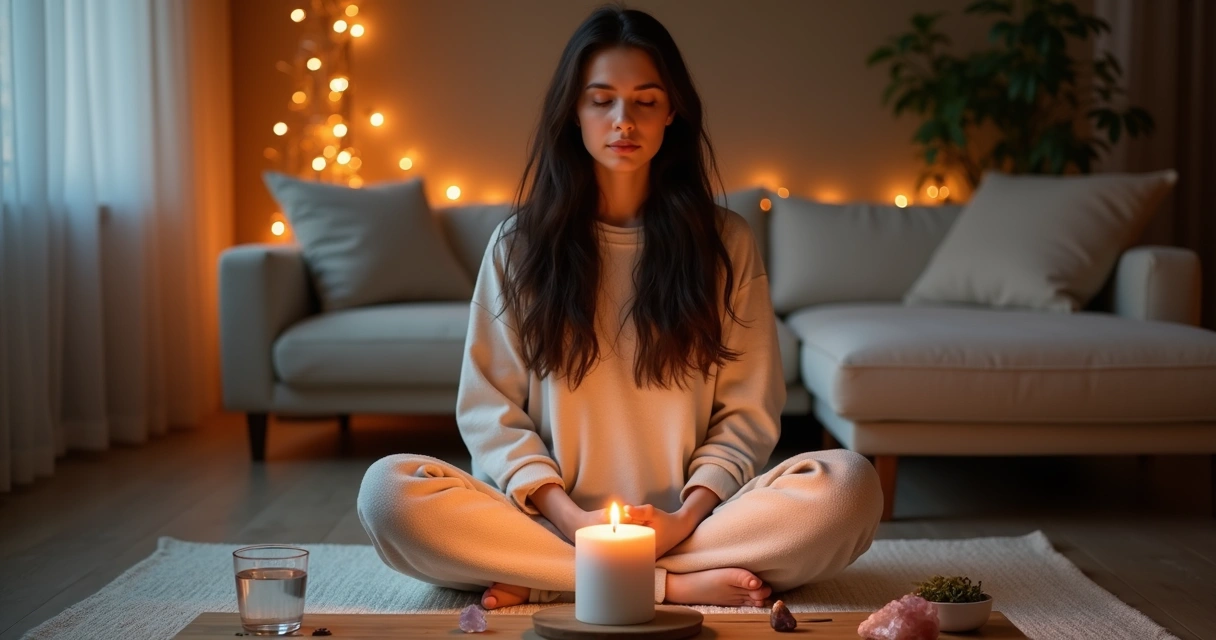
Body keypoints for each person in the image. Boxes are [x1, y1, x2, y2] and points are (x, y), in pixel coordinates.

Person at [357, 5, 883, 610]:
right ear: (573, 112)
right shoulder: (517, 246)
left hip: (692, 526)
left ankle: (553, 579)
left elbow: (746, 414)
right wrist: (571, 519)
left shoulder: (727, 243)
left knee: (848, 487)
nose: (622, 120)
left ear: (672, 112)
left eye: (645, 100)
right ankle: (667, 586)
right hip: (549, 523)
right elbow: (490, 413)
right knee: (388, 493)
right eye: (601, 99)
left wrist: (683, 519)